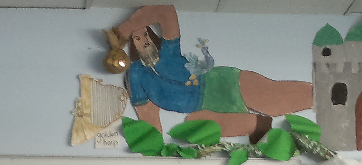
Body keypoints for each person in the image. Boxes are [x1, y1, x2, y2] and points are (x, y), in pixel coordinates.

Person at [115, 5, 313, 143]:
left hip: (221, 83)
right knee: (194, 125)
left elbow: (166, 12)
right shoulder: (136, 75)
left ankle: (321, 95)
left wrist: (131, 24)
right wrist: (154, 149)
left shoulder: (168, 50)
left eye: (146, 34)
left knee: (272, 101)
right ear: (132, 44)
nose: (145, 41)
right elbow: (148, 115)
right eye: (137, 38)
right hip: (204, 107)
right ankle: (260, 127)